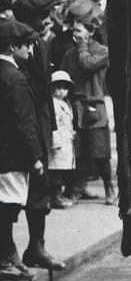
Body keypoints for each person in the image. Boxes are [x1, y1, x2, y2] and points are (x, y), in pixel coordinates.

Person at [11, 0, 66, 271]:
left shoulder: (40, 43)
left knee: (39, 189)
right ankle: (8, 254)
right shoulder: (14, 45)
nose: (49, 21)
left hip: (40, 127)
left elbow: (44, 94)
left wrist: (52, 130)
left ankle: (36, 247)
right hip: (17, 128)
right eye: (44, 16)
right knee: (10, 193)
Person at [0, 19, 42, 281]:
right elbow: (24, 122)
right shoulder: (15, 78)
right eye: (26, 45)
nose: (29, 50)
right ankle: (5, 259)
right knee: (7, 208)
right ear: (13, 46)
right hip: (12, 156)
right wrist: (36, 156)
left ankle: (8, 255)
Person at [63, 4, 114, 205]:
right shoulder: (70, 54)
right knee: (80, 149)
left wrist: (82, 47)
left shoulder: (103, 51)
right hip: (76, 105)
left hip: (95, 106)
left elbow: (87, 64)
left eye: (78, 30)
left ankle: (110, 188)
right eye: (74, 30)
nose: (75, 34)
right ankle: (78, 188)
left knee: (100, 151)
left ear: (90, 31)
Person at [47, 70, 76, 210]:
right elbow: (55, 125)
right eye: (58, 88)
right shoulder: (53, 104)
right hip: (58, 142)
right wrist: (56, 141)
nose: (62, 92)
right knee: (56, 171)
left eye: (65, 88)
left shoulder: (65, 103)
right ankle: (55, 196)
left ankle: (59, 194)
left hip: (66, 140)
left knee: (63, 170)